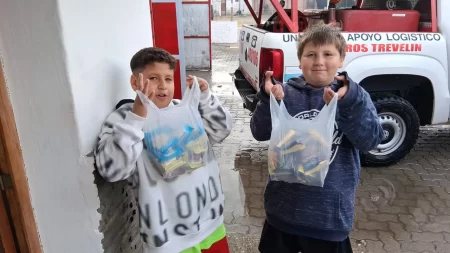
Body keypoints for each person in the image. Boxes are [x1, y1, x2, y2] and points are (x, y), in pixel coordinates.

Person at [250, 24, 384, 253]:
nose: (319, 61)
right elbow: (259, 132)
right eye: (310, 54)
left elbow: (370, 141)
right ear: (300, 60)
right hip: (283, 214)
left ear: (341, 59)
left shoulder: (355, 96)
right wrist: (268, 100)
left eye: (328, 54)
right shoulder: (285, 93)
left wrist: (347, 104)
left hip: (329, 220)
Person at [94, 47, 233, 253]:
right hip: (169, 239)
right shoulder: (123, 120)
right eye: (153, 78)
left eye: (168, 79)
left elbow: (221, 130)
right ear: (135, 83)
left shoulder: (183, 111)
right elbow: (113, 171)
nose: (162, 86)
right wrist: (137, 117)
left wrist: (205, 98)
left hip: (210, 223)